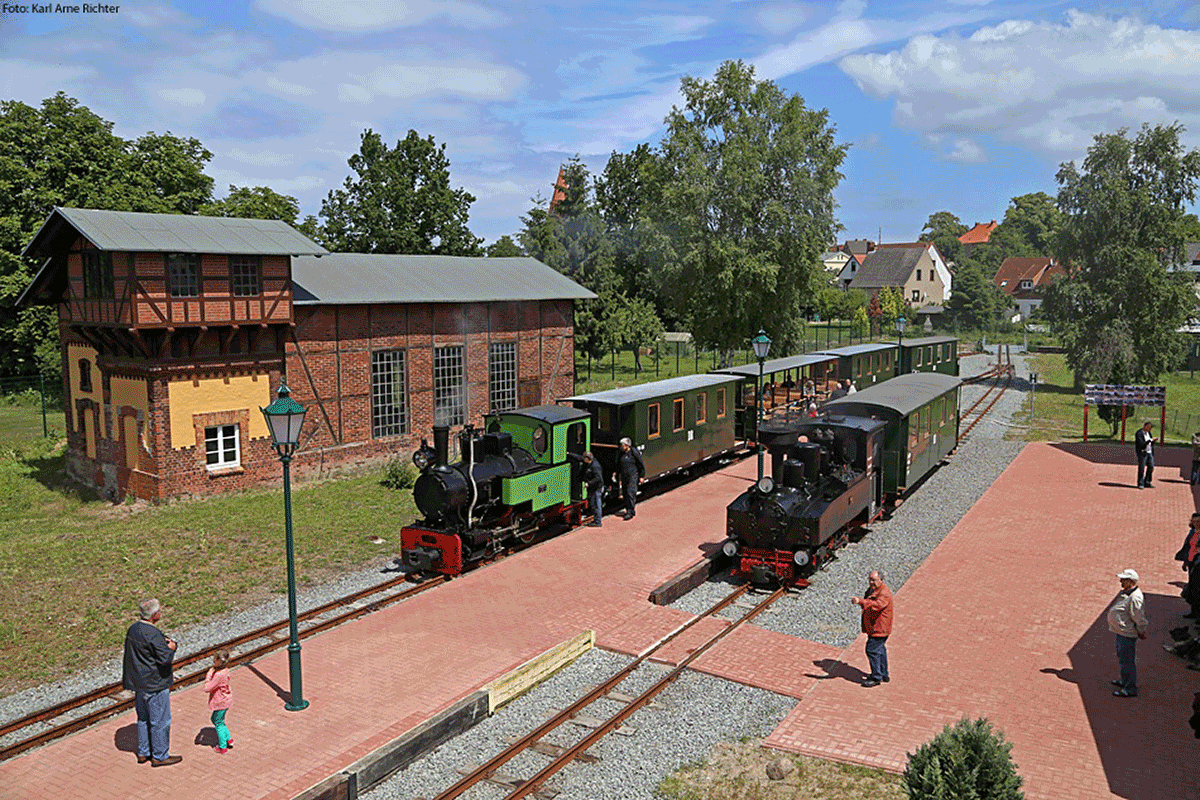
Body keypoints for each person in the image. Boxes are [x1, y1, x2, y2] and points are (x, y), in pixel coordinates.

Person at [122, 598, 181, 766]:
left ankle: (143, 752)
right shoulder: (153, 634)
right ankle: (160, 755)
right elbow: (164, 658)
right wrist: (172, 648)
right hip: (155, 683)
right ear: (155, 615)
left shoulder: (133, 630)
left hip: (139, 683)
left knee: (143, 718)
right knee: (160, 721)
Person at [1108, 568, 1148, 697]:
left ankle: (1130, 688)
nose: (1120, 581)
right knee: (1123, 659)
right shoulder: (1127, 593)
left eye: (1123, 580)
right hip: (1121, 632)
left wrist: (1141, 631)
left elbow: (1139, 618)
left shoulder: (1135, 598)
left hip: (1127, 634)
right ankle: (1124, 681)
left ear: (1131, 582)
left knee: (1127, 662)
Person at [851, 570, 893, 687]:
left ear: (882, 580)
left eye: (874, 580)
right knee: (880, 650)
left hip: (879, 629)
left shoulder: (884, 593)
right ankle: (883, 673)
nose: (871, 582)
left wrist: (860, 601)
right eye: (870, 579)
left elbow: (876, 605)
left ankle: (876, 677)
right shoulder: (874, 590)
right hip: (875, 627)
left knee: (872, 650)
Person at [204, 649, 234, 754]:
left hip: (221, 702)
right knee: (217, 720)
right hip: (226, 700)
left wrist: (208, 675)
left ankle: (222, 747)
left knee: (218, 723)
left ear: (218, 661)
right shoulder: (226, 670)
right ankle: (228, 739)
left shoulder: (218, 675)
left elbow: (207, 688)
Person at [615, 437, 645, 520]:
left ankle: (630, 511)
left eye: (622, 445)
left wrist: (641, 476)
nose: (621, 446)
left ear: (627, 445)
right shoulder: (621, 453)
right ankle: (630, 509)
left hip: (633, 475)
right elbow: (618, 464)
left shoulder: (634, 452)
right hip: (624, 476)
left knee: (630, 492)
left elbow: (640, 464)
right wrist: (616, 473)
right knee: (625, 493)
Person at [1176, 514, 1200, 618]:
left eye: (1198, 522)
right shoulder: (1192, 532)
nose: (1196, 523)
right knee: (1193, 588)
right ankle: (1194, 613)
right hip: (1191, 562)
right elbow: (1188, 547)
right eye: (1194, 521)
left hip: (1198, 563)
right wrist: (1185, 562)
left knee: (1197, 589)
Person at [1135, 421, 1155, 488]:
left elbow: (1150, 443)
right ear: (1145, 427)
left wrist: (1152, 442)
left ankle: (1147, 481)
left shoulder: (1149, 433)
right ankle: (1140, 483)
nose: (1150, 429)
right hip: (1142, 453)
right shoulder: (1139, 433)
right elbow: (1141, 444)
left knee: (1151, 466)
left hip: (1149, 452)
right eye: (1149, 428)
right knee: (1142, 468)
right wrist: (1150, 440)